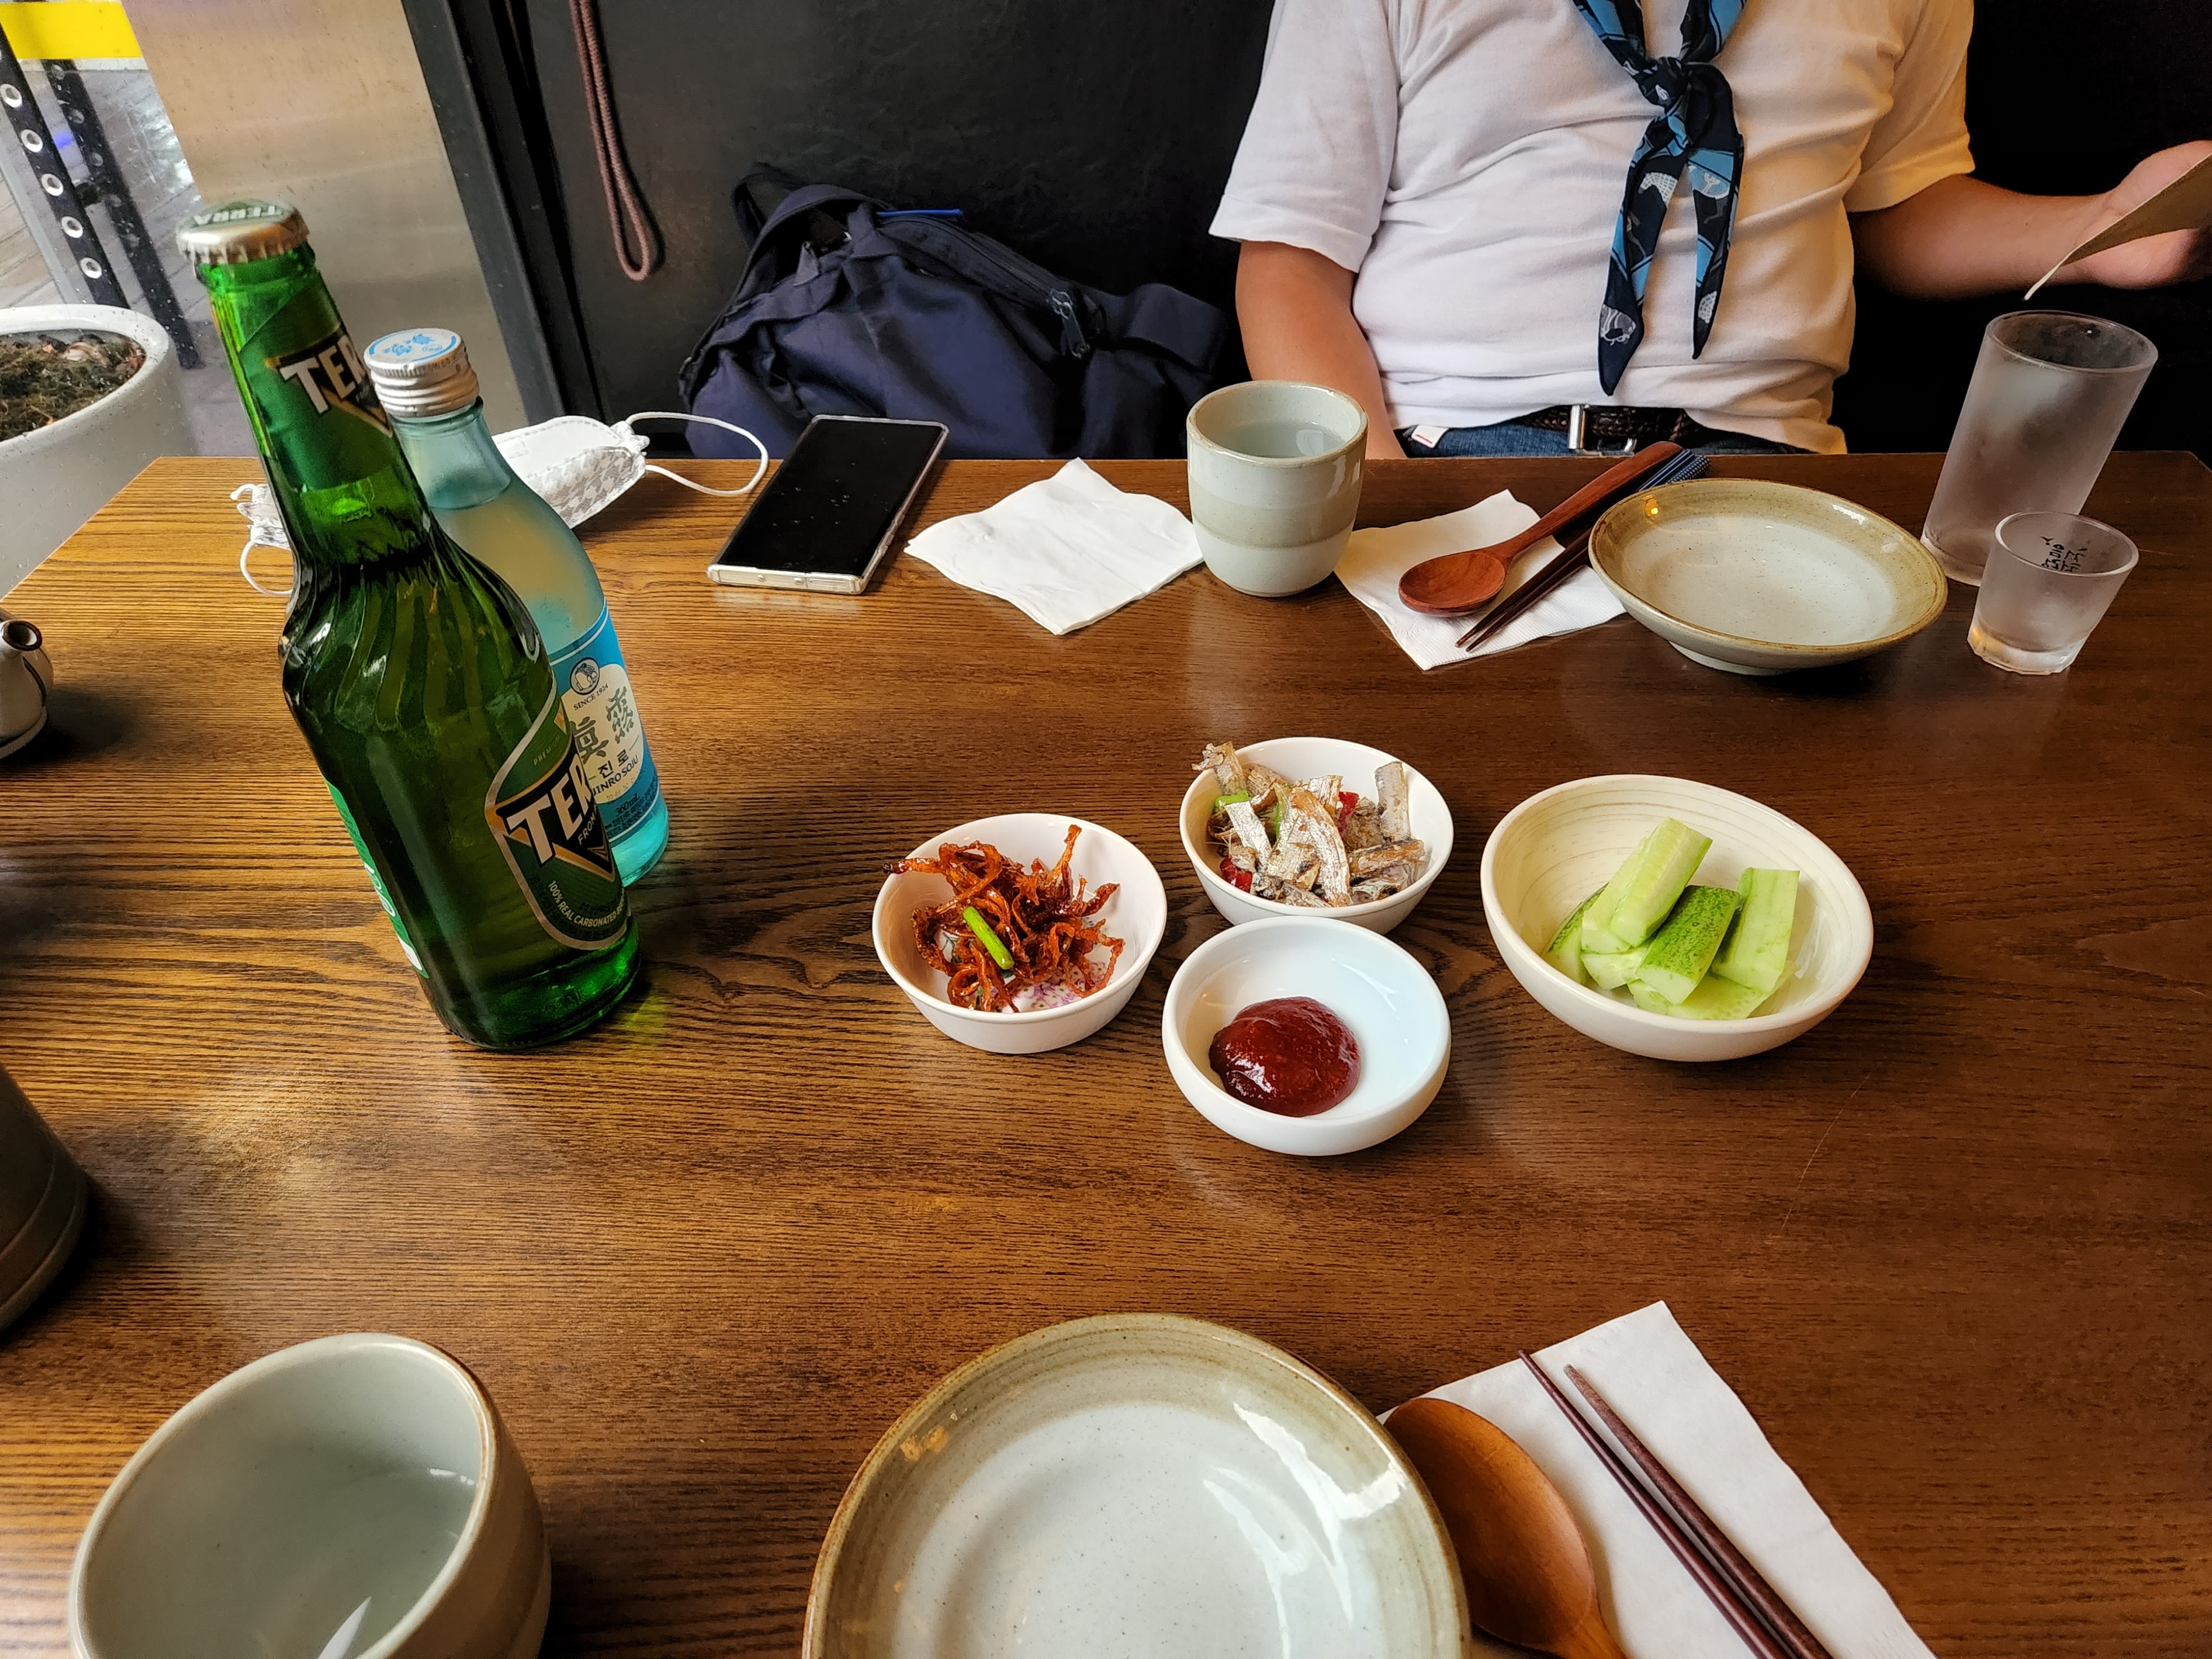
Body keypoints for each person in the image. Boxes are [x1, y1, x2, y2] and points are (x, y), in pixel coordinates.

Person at [1212, 0, 2212, 458]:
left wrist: (2106, 227)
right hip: (1454, 448)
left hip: (1764, 465)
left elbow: (1897, 207)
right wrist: (1377, 504)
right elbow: (1291, 261)